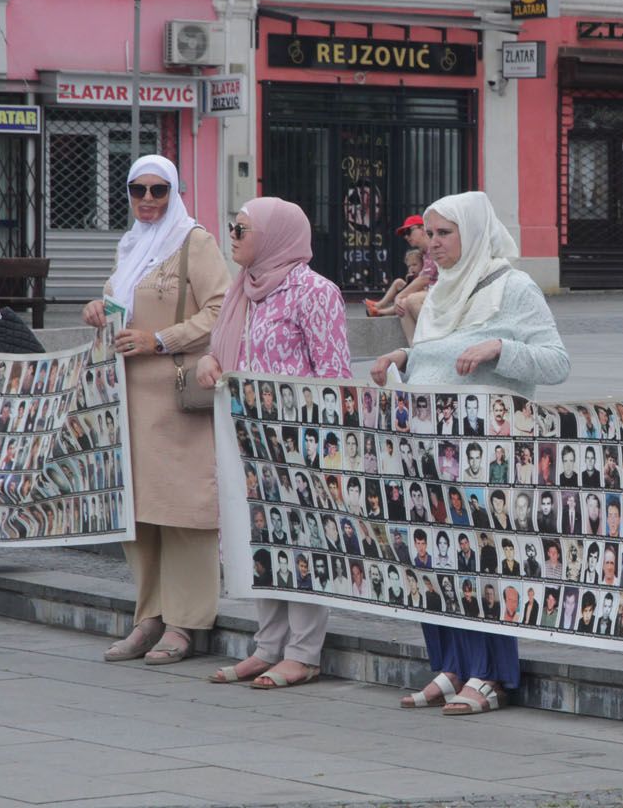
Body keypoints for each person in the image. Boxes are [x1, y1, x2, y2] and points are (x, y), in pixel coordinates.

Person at [371, 191, 568, 716]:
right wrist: (403, 357)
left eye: (444, 234)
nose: (433, 245)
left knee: (483, 558)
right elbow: (436, 355)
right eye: (429, 234)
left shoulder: (513, 287)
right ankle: (450, 663)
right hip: (427, 447)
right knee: (433, 556)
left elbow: (555, 362)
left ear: (475, 233)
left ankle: (491, 673)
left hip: (485, 454)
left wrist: (501, 349)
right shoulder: (438, 291)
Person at [197, 198, 350, 689]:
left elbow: (334, 375)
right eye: (232, 226)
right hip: (247, 442)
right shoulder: (244, 287)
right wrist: (208, 363)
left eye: (241, 228)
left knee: (302, 541)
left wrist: (325, 448)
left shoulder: (314, 292)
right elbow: (225, 351)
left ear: (275, 235)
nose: (233, 236)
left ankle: (303, 652)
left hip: (298, 447)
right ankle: (267, 645)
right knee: (257, 536)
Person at [84, 156, 229, 665]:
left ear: (175, 192)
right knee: (139, 512)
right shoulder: (131, 245)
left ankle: (185, 623)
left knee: (185, 508)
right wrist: (98, 307)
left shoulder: (195, 242)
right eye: (138, 189)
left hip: (175, 396)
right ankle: (149, 616)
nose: (148, 200)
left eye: (159, 190)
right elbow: (119, 298)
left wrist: (161, 339)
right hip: (128, 398)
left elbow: (221, 311)